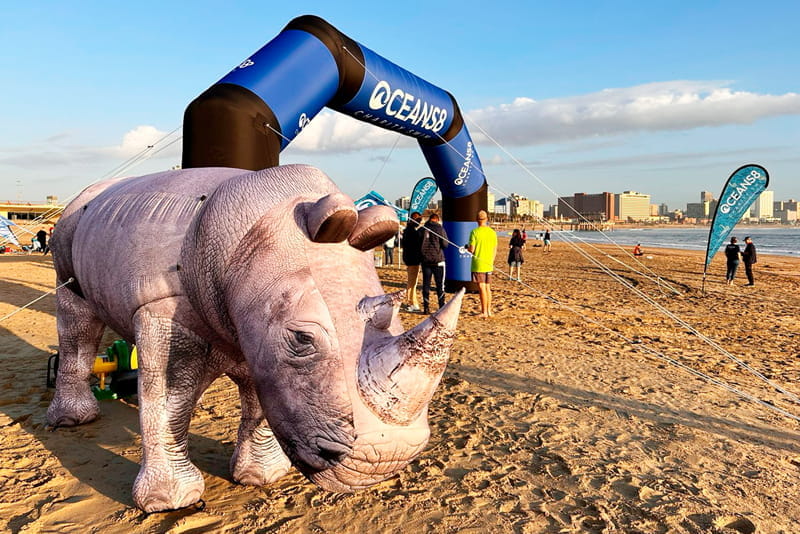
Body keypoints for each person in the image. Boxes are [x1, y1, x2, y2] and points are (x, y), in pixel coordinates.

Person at [467, 210, 497, 318]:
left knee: (482, 288)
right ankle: (488, 311)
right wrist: (492, 261)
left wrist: (467, 248)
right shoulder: (492, 232)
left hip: (479, 264)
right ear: (487, 219)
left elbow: (472, 249)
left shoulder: (474, 232)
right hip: (489, 264)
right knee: (488, 288)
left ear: (476, 220)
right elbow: (495, 249)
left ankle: (485, 311)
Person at [419, 213, 448, 314]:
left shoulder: (422, 229)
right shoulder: (440, 229)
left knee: (426, 284)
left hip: (425, 260)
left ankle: (426, 307)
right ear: (437, 220)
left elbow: (418, 244)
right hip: (438, 260)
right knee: (440, 285)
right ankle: (441, 306)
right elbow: (445, 244)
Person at [401, 212, 424, 312]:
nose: (419, 222)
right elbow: (415, 245)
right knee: (412, 283)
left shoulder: (408, 230)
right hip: (412, 259)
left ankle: (412, 301)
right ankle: (411, 302)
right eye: (419, 220)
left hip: (410, 258)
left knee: (412, 282)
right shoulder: (412, 232)